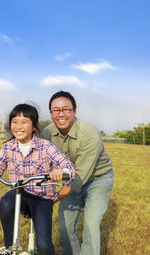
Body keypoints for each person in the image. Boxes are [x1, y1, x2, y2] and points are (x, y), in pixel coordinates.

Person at [0, 103, 75, 255]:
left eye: (24, 122)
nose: (18, 126)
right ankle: (9, 247)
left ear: (34, 126)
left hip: (42, 198)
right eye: (14, 122)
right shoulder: (8, 147)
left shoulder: (45, 146)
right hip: (18, 195)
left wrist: (61, 171)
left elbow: (66, 165)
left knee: (43, 246)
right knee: (6, 202)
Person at [40, 91, 114, 255]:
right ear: (51, 113)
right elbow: (41, 165)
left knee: (90, 225)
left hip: (97, 179)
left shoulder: (88, 133)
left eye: (66, 109)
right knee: (64, 227)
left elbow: (79, 177)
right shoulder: (47, 133)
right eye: (56, 111)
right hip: (70, 180)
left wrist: (54, 198)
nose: (61, 115)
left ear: (75, 111)